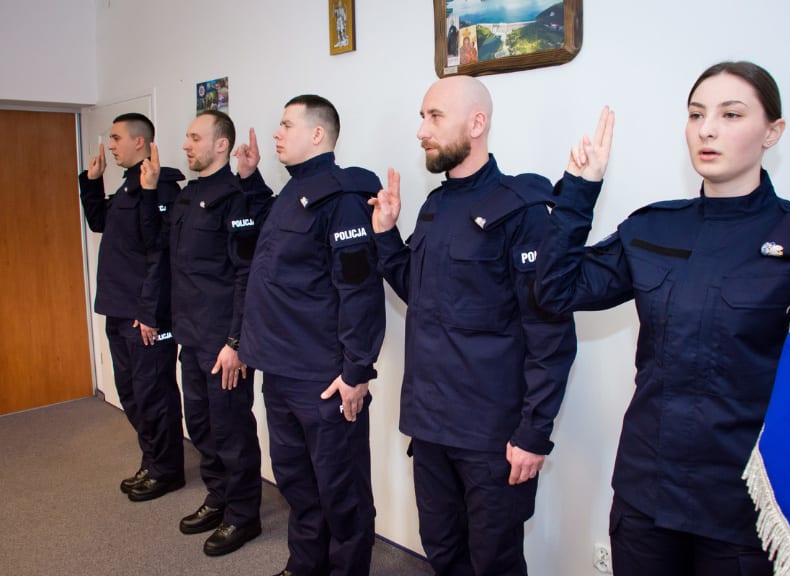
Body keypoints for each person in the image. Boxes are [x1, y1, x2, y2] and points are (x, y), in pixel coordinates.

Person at [534, 62, 790, 575]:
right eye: (696, 115)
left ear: (772, 133)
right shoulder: (654, 228)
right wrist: (579, 192)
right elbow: (555, 292)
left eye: (730, 114)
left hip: (743, 505)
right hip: (648, 491)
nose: (707, 129)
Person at [369, 76, 577, 575]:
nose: (421, 130)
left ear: (477, 123)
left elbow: (550, 335)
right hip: (431, 422)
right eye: (422, 116)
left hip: (491, 434)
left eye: (434, 116)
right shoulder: (436, 206)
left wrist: (534, 432)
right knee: (442, 550)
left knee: (494, 562)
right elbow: (421, 296)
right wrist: (385, 236)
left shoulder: (523, 210)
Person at [236, 95, 385, 576]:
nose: (276, 133)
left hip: (323, 379)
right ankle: (304, 566)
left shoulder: (341, 199)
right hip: (279, 371)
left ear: (317, 134)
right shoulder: (292, 193)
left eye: (285, 124)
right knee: (298, 486)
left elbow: (359, 291)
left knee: (342, 495)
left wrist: (357, 372)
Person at [140, 110, 265, 557]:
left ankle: (242, 515)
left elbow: (246, 274)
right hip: (189, 336)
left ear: (221, 146)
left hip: (222, 343)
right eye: (187, 137)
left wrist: (236, 343)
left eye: (195, 137)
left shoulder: (237, 198)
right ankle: (218, 497)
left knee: (231, 429)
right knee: (201, 425)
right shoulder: (187, 196)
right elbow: (163, 256)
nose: (186, 145)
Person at [78, 113, 185, 502]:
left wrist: (149, 312)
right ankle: (153, 459)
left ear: (140, 142)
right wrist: (91, 183)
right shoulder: (128, 187)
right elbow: (98, 222)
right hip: (119, 309)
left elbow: (161, 254)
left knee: (154, 393)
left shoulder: (162, 188)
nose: (111, 144)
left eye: (117, 137)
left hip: (146, 315)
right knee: (132, 393)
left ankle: (167, 470)